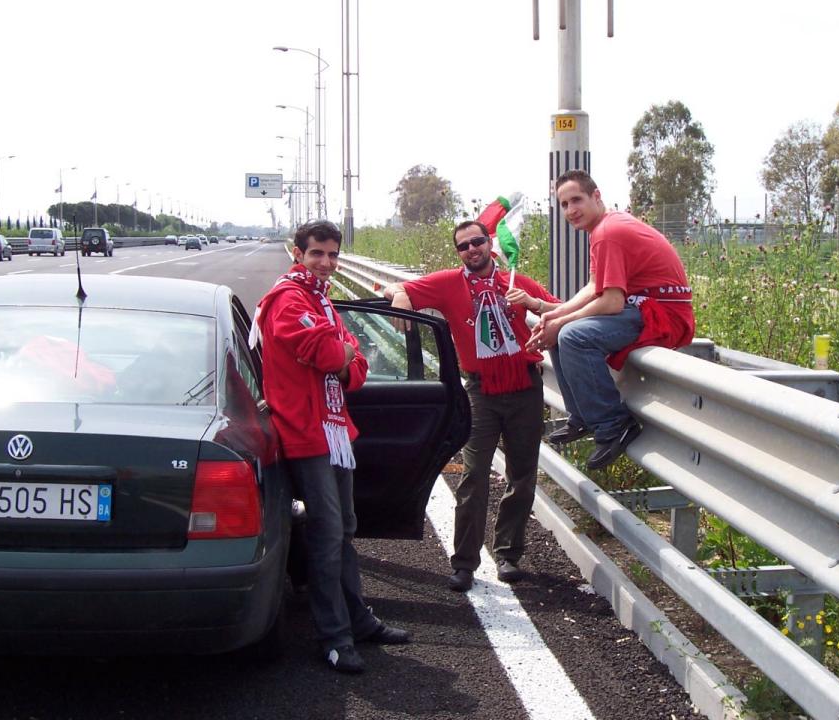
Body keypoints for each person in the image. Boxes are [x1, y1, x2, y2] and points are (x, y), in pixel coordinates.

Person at [251, 219, 410, 675]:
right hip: (306, 432)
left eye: (333, 254)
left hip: (335, 429)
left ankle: (358, 620)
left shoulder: (320, 300)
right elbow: (329, 352)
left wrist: (340, 352)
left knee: (344, 531)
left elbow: (356, 366)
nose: (326, 262)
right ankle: (334, 637)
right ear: (298, 253)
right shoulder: (286, 298)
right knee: (326, 536)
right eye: (317, 253)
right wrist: (340, 351)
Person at [383, 220, 560, 593]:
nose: (471, 250)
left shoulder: (517, 280)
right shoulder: (449, 283)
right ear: (459, 253)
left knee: (522, 475)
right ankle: (464, 563)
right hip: (480, 391)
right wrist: (400, 294)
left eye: (477, 242)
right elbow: (396, 288)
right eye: (463, 246)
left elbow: (558, 311)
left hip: (526, 387)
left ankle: (509, 554)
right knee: (474, 475)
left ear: (489, 244)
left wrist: (532, 305)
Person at [527, 170, 695, 471]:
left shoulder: (608, 234)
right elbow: (595, 286)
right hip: (643, 306)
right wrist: (555, 314)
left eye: (576, 200)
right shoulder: (603, 228)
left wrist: (560, 322)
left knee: (572, 336)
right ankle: (581, 417)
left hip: (664, 315)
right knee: (559, 328)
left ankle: (614, 425)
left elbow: (611, 301)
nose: (570, 210)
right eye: (564, 204)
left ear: (596, 196)